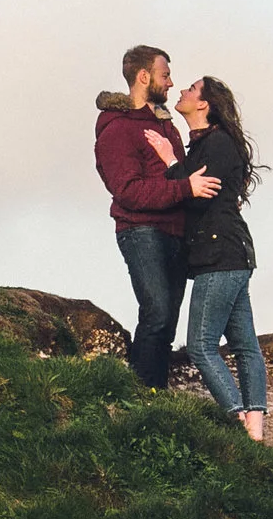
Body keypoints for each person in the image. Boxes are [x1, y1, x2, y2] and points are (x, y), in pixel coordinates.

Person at [94, 45, 220, 390]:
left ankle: (154, 398)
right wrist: (185, 190)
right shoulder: (117, 128)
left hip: (175, 233)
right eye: (165, 75)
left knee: (166, 323)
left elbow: (183, 175)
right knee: (157, 313)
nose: (170, 82)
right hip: (142, 231)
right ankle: (138, 396)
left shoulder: (167, 127)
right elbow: (129, 192)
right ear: (144, 76)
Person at [154, 75, 267, 439]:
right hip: (229, 255)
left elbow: (198, 191)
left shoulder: (217, 143)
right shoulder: (206, 143)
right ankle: (255, 432)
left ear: (204, 103)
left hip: (220, 256)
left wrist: (170, 161)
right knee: (245, 345)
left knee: (201, 346)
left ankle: (236, 420)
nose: (182, 91)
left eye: (190, 89)